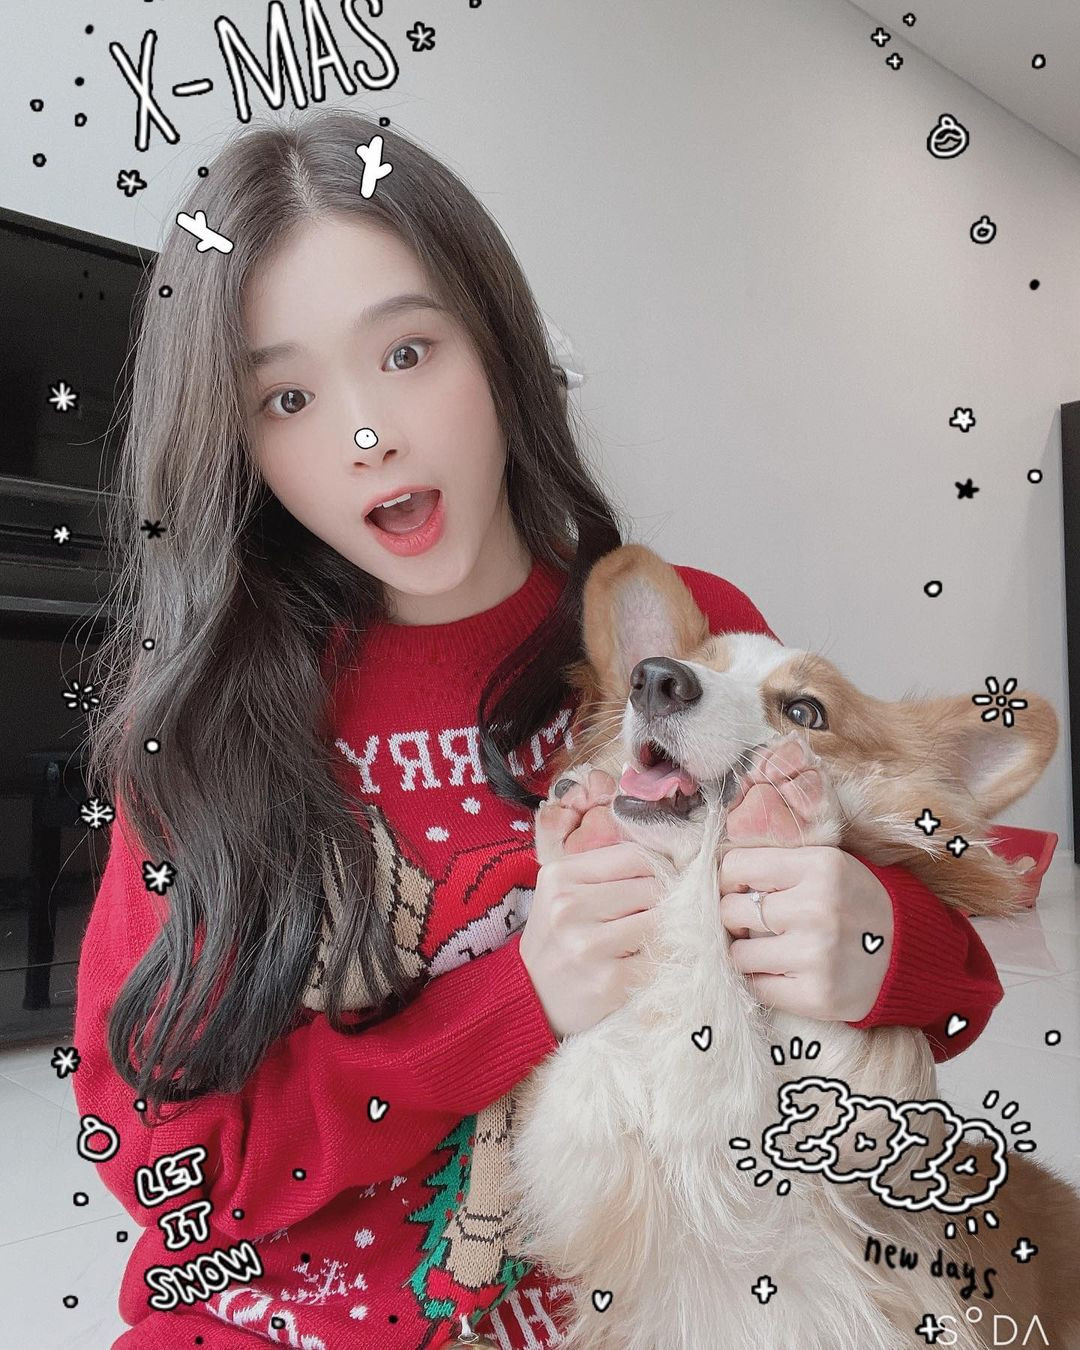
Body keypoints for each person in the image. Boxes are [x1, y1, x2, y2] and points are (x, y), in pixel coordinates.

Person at [72, 109, 1003, 1350]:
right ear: (236, 445)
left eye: (408, 352)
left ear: (499, 346)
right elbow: (159, 1163)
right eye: (287, 397)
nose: (368, 437)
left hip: (648, 1306)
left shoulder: (684, 647)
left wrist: (877, 937)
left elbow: (950, 975)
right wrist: (513, 1002)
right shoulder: (202, 729)